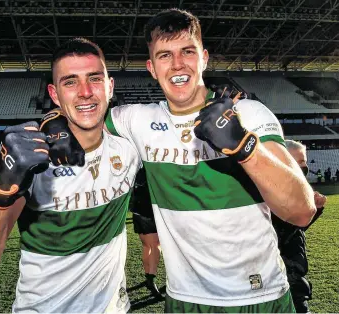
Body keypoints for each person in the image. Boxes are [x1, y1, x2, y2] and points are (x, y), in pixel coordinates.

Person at [46, 9, 316, 312]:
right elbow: (84, 113)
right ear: (151, 67)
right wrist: (54, 122)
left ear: (204, 57)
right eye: (164, 55)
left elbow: (300, 211)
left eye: (187, 51)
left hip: (260, 296)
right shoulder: (136, 120)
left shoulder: (250, 114)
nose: (177, 64)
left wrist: (243, 146)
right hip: (185, 301)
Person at [0, 38, 141, 313]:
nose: (85, 92)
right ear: (54, 94)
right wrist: (1, 189)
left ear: (110, 86)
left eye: (94, 78)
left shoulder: (130, 146)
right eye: (70, 82)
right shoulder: (36, 161)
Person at [272, 140, 327, 313]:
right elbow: (278, 236)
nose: (303, 167)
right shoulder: (270, 195)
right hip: (282, 285)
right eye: (298, 162)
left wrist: (313, 211)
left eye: (304, 162)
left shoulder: (290, 192)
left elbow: (295, 232)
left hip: (295, 284)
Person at [131, 167, 163, 299]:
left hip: (137, 211)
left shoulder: (135, 168)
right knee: (155, 245)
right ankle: (151, 278)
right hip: (148, 212)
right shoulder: (151, 169)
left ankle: (147, 276)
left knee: (146, 245)